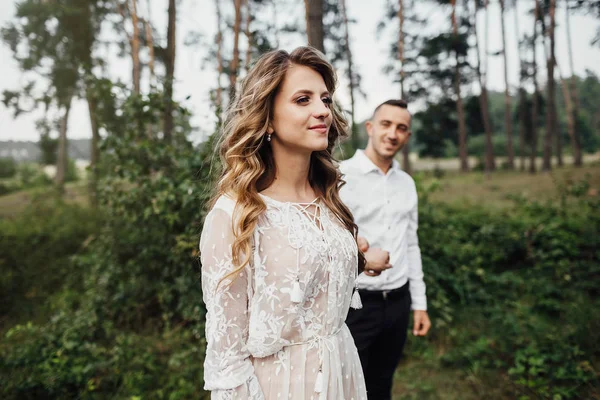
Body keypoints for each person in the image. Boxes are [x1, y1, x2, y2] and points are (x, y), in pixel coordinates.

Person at [199, 47, 368, 400]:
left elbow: (317, 287)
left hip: (343, 373)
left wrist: (362, 259)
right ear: (269, 119)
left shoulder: (329, 199)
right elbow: (227, 359)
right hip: (282, 386)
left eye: (325, 99)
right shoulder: (235, 215)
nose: (323, 110)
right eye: (302, 100)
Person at [340, 99, 432, 400]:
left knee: (382, 386)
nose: (393, 134)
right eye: (386, 124)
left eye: (401, 128)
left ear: (407, 136)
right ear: (370, 127)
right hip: (354, 305)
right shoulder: (339, 177)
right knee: (348, 387)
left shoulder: (406, 183)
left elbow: (411, 243)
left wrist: (419, 303)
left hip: (398, 303)